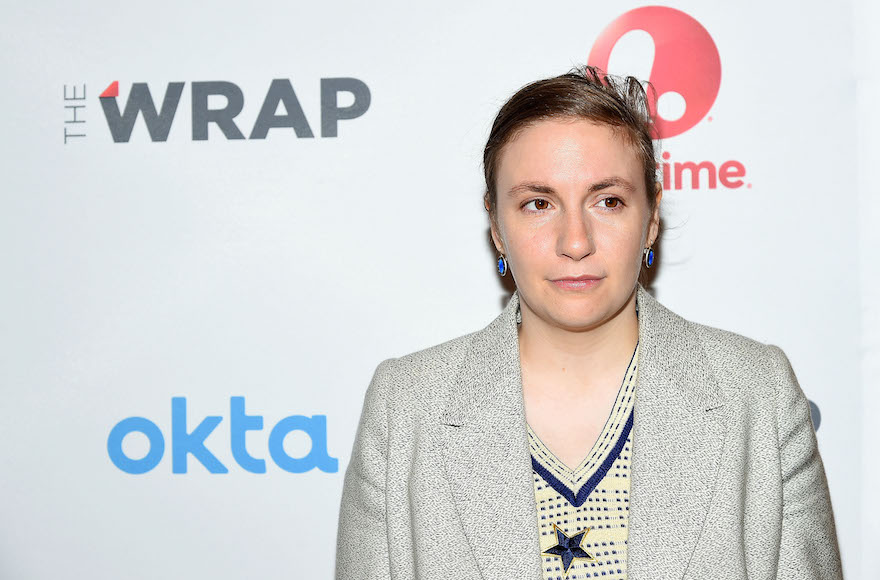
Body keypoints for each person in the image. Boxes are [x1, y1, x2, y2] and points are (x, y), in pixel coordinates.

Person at [334, 65, 843, 580]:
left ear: (650, 220)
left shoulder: (756, 393)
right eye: (538, 203)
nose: (574, 242)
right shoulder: (406, 408)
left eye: (608, 201)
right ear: (496, 227)